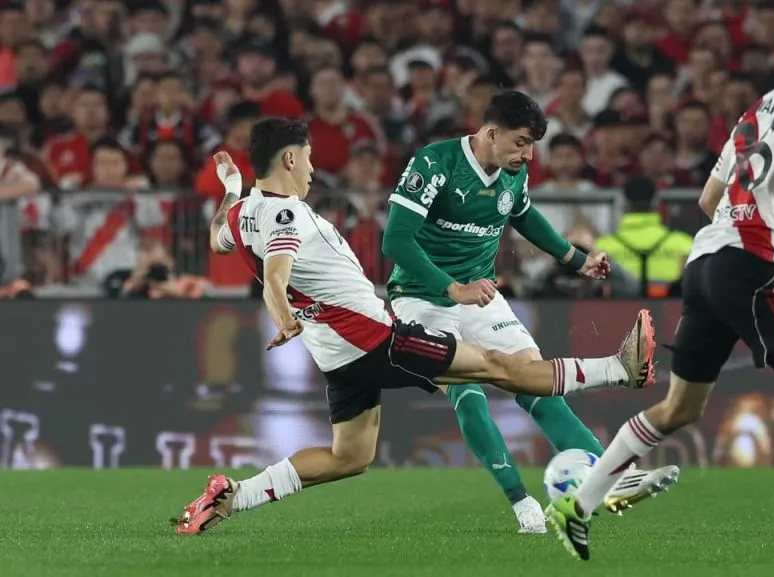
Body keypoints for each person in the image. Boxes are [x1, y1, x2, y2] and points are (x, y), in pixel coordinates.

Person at [173, 118, 657, 536]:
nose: (314, 168)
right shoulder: (285, 213)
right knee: (498, 367)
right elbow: (275, 277)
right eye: (308, 157)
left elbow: (218, 241)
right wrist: (283, 318)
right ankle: (619, 368)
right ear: (290, 160)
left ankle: (232, 495)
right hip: (377, 340)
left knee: (350, 457)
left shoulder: (242, 214)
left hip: (338, 358)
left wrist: (231, 189)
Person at [545, 21, 774, 566]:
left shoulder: (756, 111)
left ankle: (579, 505)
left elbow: (707, 196)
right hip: (750, 266)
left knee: (679, 408)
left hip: (704, 261)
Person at [381, 90, 678, 534]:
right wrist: (452, 287)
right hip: (422, 298)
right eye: (521, 142)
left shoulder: (512, 173)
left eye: (533, 143)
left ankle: (612, 478)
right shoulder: (434, 163)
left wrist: (577, 259)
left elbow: (524, 216)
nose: (530, 154)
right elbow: (395, 241)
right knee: (469, 393)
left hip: (480, 295)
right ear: (491, 133)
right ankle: (522, 503)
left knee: (536, 381)